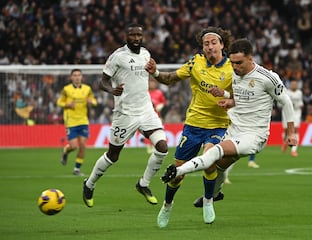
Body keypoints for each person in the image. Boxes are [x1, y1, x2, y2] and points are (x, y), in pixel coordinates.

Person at [161, 38, 297, 224]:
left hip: (253, 135)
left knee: (214, 152)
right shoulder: (234, 74)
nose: (234, 66)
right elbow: (240, 97)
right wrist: (227, 98)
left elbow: (286, 102)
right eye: (232, 62)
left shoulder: (267, 78)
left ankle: (177, 172)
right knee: (217, 167)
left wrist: (290, 133)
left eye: (239, 63)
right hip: (233, 129)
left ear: (251, 59)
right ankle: (213, 196)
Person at [145, 26, 233, 227]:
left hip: (218, 125)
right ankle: (167, 206)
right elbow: (170, 79)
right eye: (206, 44)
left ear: (221, 44)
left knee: (210, 160)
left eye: (213, 43)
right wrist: (155, 72)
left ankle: (208, 201)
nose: (209, 47)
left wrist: (226, 96)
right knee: (177, 172)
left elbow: (243, 97)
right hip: (193, 125)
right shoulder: (196, 62)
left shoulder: (232, 69)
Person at [82, 23, 169, 208]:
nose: (136, 38)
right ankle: (89, 184)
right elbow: (102, 81)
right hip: (125, 114)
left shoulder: (146, 54)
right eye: (132, 35)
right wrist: (112, 90)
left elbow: (148, 75)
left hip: (146, 110)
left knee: (162, 147)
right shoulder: (118, 57)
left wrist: (155, 70)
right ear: (126, 37)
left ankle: (143, 184)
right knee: (113, 156)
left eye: (139, 35)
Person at [57, 69, 97, 176]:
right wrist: (67, 105)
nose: (77, 77)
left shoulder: (87, 89)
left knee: (83, 145)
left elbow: (94, 101)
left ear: (82, 77)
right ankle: (66, 150)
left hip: (83, 120)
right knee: (74, 146)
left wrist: (91, 102)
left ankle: (77, 169)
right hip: (71, 121)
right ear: (71, 77)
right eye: (75, 75)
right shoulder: (66, 89)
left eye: (79, 75)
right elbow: (59, 102)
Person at [280, 79, 303, 157]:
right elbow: (281, 102)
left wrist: (298, 105)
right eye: (293, 84)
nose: (294, 85)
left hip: (296, 112)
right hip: (287, 112)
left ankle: (293, 150)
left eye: (295, 84)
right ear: (290, 85)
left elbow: (301, 103)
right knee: (287, 131)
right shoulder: (286, 92)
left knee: (295, 129)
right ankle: (286, 142)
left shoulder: (299, 93)